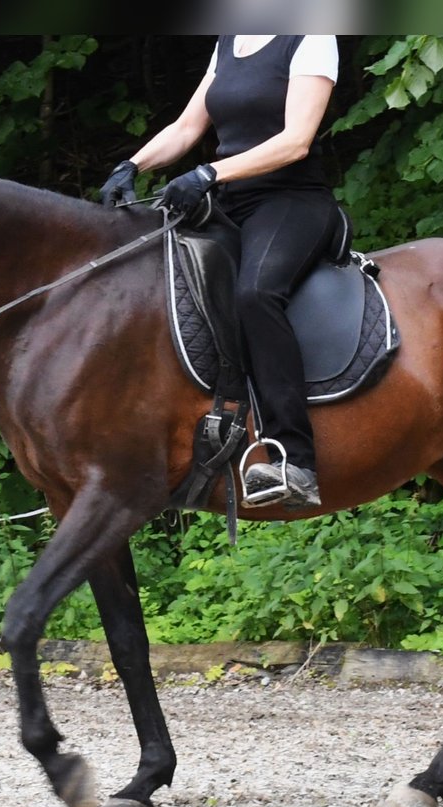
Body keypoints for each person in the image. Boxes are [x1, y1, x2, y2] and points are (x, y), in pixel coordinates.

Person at [100, 34, 342, 510]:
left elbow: (296, 141)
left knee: (256, 295)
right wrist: (131, 164)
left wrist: (209, 173)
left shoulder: (311, 37)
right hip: (229, 203)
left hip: (291, 201)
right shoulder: (229, 43)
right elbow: (188, 126)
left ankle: (297, 459)